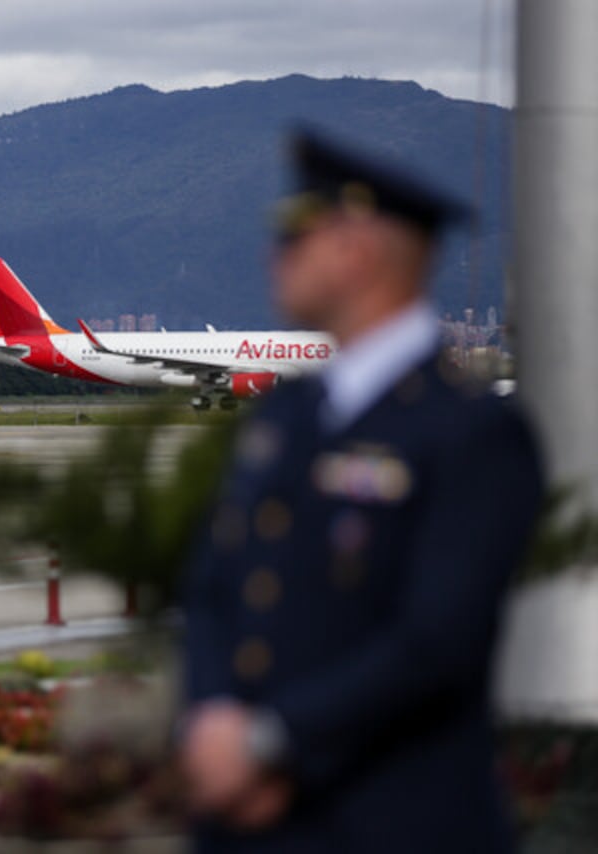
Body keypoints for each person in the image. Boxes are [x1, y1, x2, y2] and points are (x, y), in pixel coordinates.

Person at [179, 129, 544, 853]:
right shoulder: (285, 417)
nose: (274, 256)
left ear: (356, 249)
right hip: (251, 825)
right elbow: (215, 590)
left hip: (394, 822)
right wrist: (209, 718)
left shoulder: (471, 431)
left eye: (295, 235)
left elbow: (436, 643)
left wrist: (270, 743)